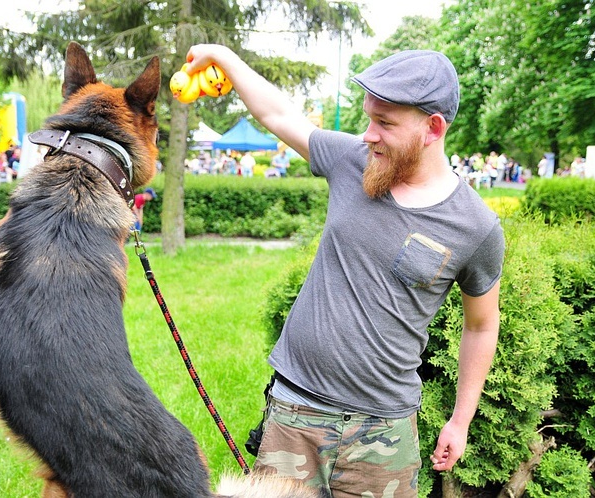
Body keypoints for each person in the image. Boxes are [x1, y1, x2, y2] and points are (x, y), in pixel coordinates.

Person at [186, 46, 504, 497]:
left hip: (384, 433)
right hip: (295, 413)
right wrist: (224, 58)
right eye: (369, 118)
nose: (368, 135)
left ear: (433, 128)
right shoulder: (350, 160)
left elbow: (482, 324)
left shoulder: (476, 227)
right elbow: (279, 115)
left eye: (386, 123)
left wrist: (460, 420)